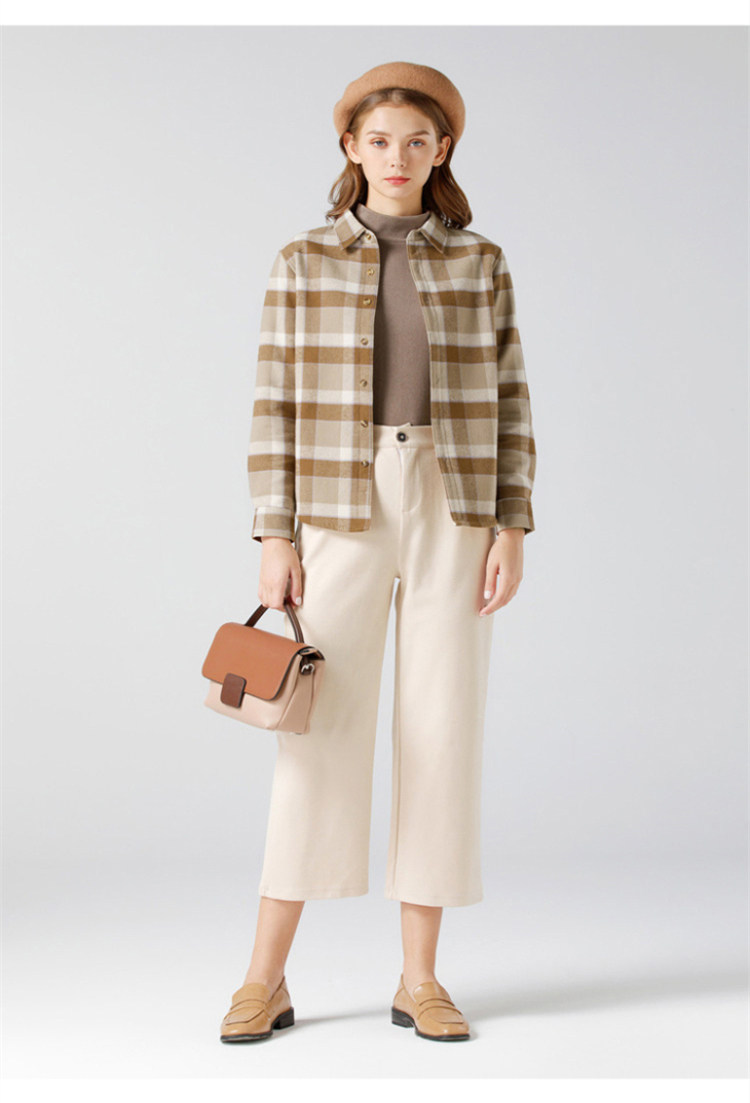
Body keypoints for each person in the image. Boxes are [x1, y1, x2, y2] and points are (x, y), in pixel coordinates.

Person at [220, 61, 537, 1044]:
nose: (397, 157)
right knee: (315, 731)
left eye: (417, 141)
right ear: (351, 147)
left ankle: (421, 978)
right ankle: (264, 977)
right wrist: (275, 531)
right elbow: (272, 402)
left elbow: (513, 397)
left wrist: (512, 523)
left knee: (442, 729)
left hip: (455, 497)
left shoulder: (480, 262)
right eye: (380, 140)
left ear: (442, 151)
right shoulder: (302, 260)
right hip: (336, 498)